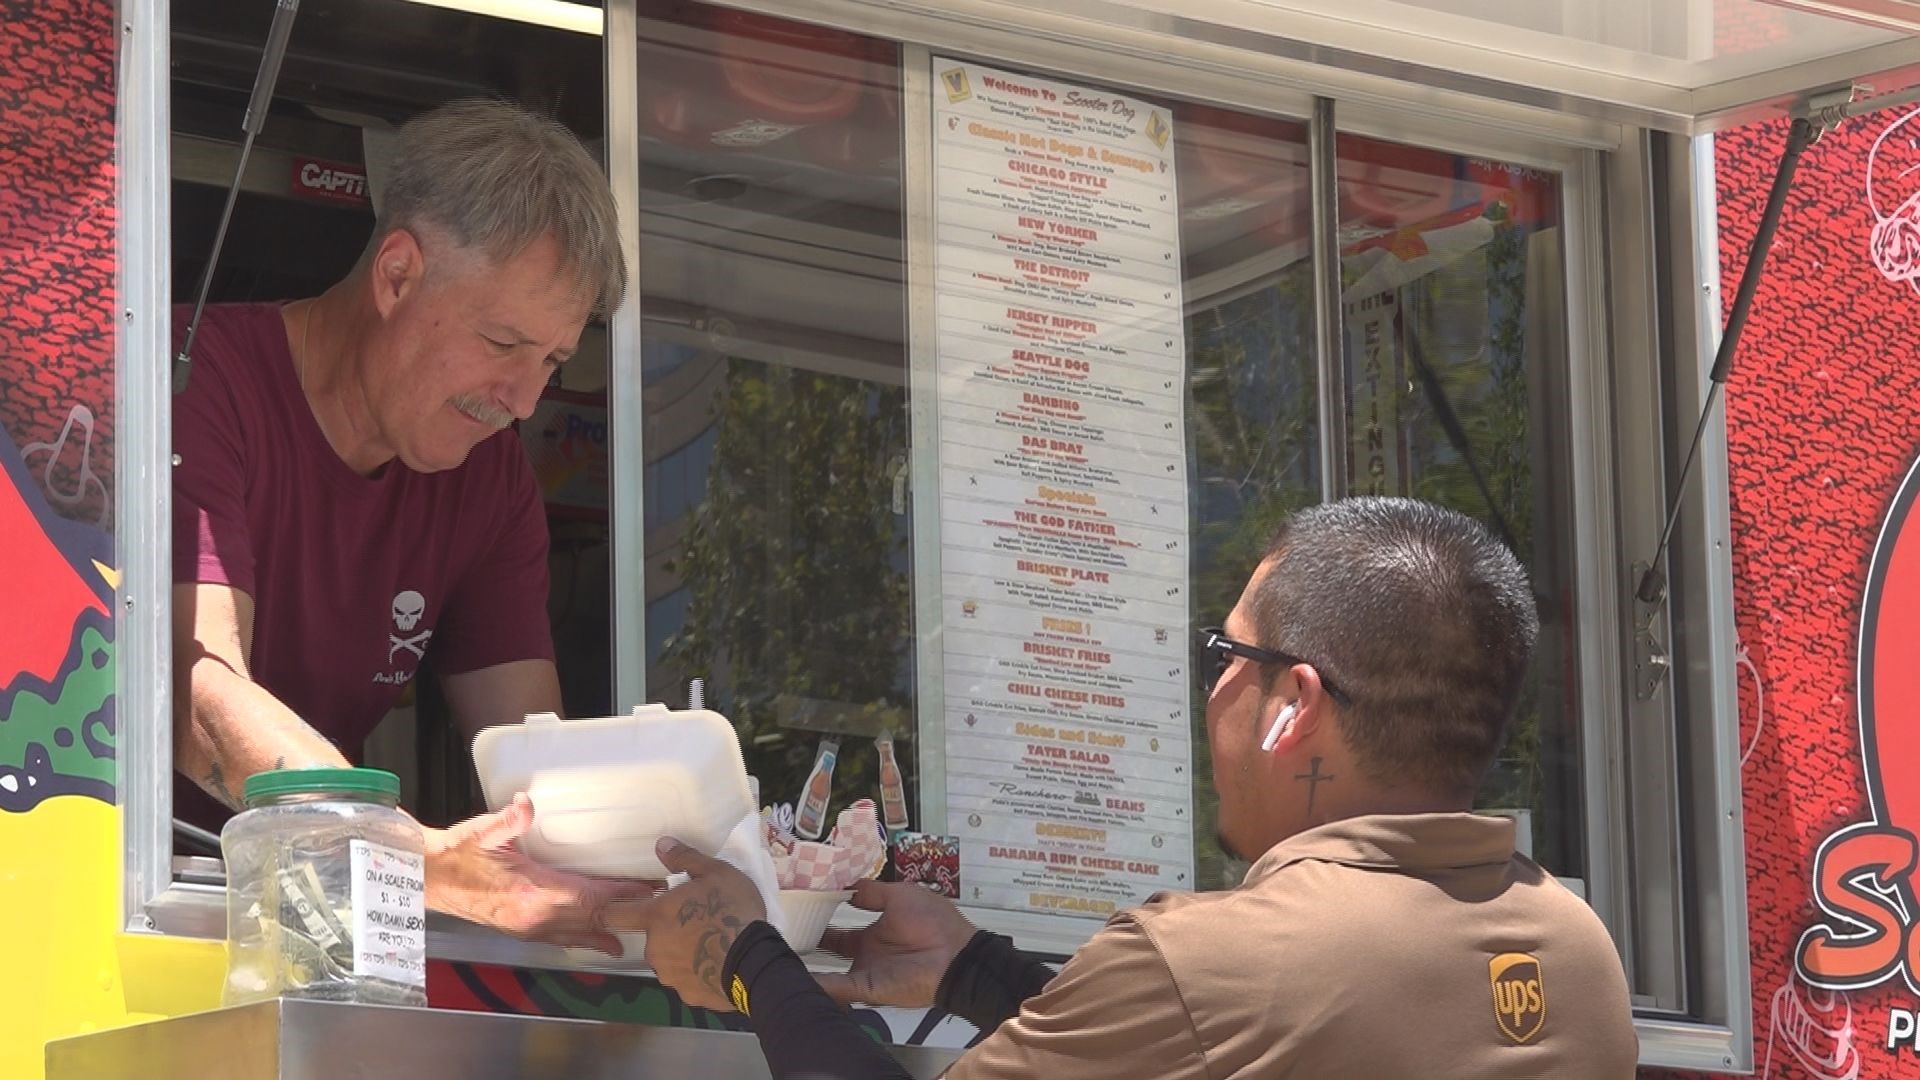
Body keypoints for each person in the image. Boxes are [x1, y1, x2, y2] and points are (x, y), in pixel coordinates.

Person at [620, 496, 1641, 1076]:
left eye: (1222, 657)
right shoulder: (1576, 951)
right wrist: (977, 971)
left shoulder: (1212, 959)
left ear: (1294, 705)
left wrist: (749, 955)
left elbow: (1212, 1011)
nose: (1212, 691)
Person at [171, 98, 647, 954]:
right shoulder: (198, 381)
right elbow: (194, 690)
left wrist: (647, 872)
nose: (525, 401)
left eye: (553, 361)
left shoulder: (491, 479)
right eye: (504, 343)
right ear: (396, 275)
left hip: (320, 927)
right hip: (135, 907)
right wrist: (413, 858)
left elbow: (535, 773)